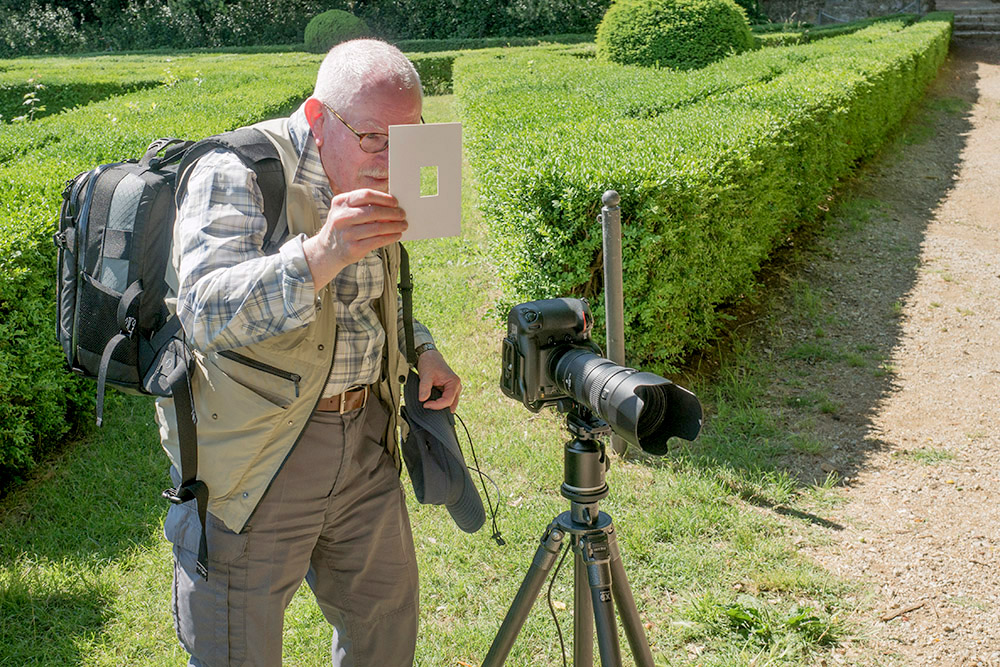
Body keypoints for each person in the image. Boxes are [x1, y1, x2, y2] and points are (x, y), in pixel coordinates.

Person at [154, 39, 461, 666]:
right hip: (259, 458)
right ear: (318, 117)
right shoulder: (236, 170)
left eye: (408, 139)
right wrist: (321, 253)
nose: (391, 160)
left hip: (367, 444)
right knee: (237, 649)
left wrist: (420, 348)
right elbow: (204, 311)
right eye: (375, 139)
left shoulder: (369, 168)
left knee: (384, 632)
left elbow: (369, 298)